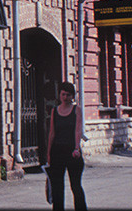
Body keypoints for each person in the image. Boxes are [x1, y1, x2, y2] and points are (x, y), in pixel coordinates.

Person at [45, 81, 87, 211]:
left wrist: (76, 148)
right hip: (57, 152)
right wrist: (49, 153)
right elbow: (52, 132)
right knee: (57, 186)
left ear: (72, 96)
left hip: (72, 152)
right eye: (63, 94)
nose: (65, 97)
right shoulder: (54, 111)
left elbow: (78, 129)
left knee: (75, 185)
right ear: (60, 95)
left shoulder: (76, 110)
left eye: (68, 95)